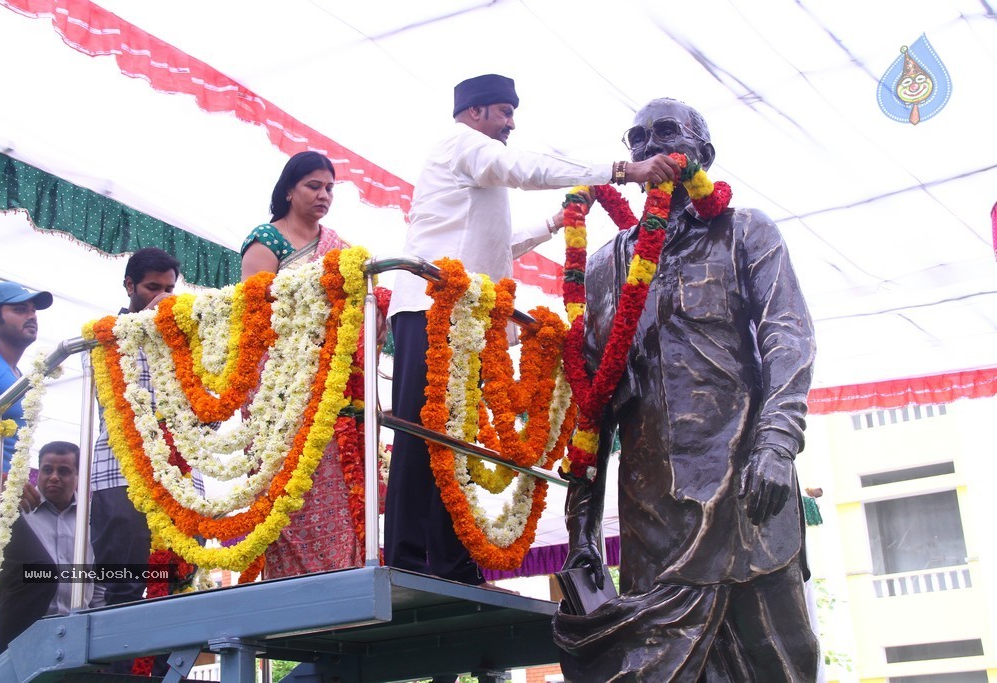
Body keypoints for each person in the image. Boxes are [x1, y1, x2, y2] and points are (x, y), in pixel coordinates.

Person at [552, 98, 819, 681]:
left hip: (750, 489)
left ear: (706, 153)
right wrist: (582, 527)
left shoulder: (746, 231)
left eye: (667, 132)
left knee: (780, 660)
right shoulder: (605, 267)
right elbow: (590, 403)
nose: (650, 146)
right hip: (655, 512)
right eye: (637, 138)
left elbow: (788, 337)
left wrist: (777, 443)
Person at [384, 73, 681, 588]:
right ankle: (409, 560)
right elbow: (525, 169)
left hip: (463, 314)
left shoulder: (473, 159)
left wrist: (550, 226)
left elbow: (491, 247)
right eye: (504, 111)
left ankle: (449, 562)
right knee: (423, 431)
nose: (511, 123)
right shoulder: (463, 144)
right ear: (475, 112)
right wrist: (621, 170)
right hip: (429, 309)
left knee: (455, 440)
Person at [241, 151, 364, 577]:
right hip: (279, 387)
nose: (324, 195)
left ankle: (342, 583)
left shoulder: (340, 248)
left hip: (328, 386)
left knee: (338, 483)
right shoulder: (266, 242)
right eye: (314, 185)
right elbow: (257, 320)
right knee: (288, 489)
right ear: (289, 190)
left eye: (330, 187)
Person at [88, 249, 204, 612]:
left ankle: (164, 671)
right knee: (123, 587)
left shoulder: (185, 340)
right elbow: (118, 404)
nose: (162, 297)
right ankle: (119, 669)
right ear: (128, 286)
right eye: (152, 288)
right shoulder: (102, 336)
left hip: (184, 477)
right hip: (122, 474)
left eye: (169, 289)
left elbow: (210, 418)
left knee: (177, 584)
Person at [0, 281, 52, 668]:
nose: (31, 315)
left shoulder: (12, 368)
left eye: (33, 309)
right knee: (35, 574)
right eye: (19, 309)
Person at [0, 442, 104, 655]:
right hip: (21, 634)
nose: (54, 477)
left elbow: (98, 586)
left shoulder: (93, 519)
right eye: (47, 470)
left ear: (79, 476)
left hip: (76, 637)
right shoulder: (14, 509)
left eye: (63, 471)